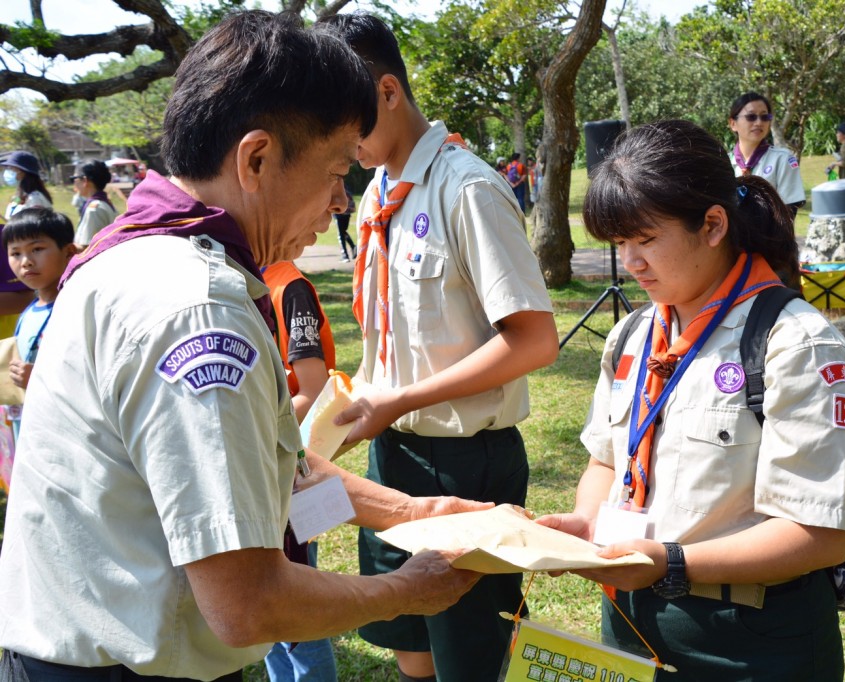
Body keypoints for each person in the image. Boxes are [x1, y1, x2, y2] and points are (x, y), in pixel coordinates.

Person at [0, 12, 485, 682]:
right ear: (257, 158)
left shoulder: (134, 254)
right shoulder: (199, 311)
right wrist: (407, 590)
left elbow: (272, 472)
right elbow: (248, 604)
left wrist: (415, 513)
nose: (340, 202)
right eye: (336, 169)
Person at [539, 119, 845, 680]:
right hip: (631, 621)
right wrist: (585, 525)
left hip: (750, 643)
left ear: (713, 224)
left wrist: (671, 565)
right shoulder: (633, 335)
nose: (631, 263)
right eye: (619, 244)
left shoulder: (794, 343)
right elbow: (606, 460)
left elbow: (824, 534)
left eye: (645, 240)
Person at [322, 13, 559, 682]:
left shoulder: (468, 187)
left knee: (470, 655)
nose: (339, 140)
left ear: (389, 92)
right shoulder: (375, 197)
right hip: (392, 450)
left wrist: (402, 399)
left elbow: (534, 340)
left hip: (465, 461)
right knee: (409, 639)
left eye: (347, 119)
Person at [262, 259, 338, 681]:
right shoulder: (244, 275)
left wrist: (253, 434)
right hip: (261, 468)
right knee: (267, 605)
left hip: (287, 468)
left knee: (298, 603)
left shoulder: (289, 288)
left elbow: (312, 387)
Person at [2, 208, 76, 441]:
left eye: (37, 249)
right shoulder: (28, 312)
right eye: (15, 253)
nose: (26, 262)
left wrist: (40, 379)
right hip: (26, 429)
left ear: (69, 252)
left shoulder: (72, 309)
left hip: (59, 434)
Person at [727, 92, 805, 217]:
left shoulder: (782, 159)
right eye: (751, 117)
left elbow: (790, 210)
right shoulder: (724, 162)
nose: (758, 122)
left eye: (764, 117)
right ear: (733, 123)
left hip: (770, 235)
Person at [70, 159, 118, 247]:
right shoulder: (103, 203)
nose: (73, 183)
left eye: (74, 179)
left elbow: (88, 248)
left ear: (84, 181)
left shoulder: (94, 210)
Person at [2, 151, 53, 220]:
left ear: (22, 171)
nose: (8, 170)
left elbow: (34, 227)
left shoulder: (35, 198)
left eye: (11, 168)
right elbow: (10, 219)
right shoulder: (20, 196)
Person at [334, 184, 357, 262]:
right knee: (343, 232)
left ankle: (345, 255)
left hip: (339, 214)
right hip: (347, 214)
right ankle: (353, 247)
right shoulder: (345, 188)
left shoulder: (335, 189)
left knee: (341, 234)